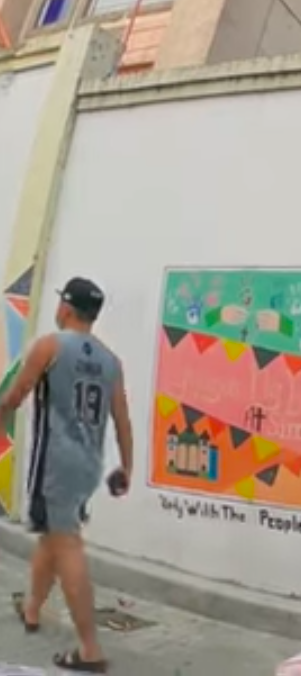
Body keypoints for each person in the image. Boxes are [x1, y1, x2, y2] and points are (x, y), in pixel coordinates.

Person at [0, 276, 133, 674]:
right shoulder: (110, 361)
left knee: (66, 544)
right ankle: (32, 609)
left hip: (55, 464)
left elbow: (16, 396)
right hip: (89, 467)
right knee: (53, 536)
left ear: (66, 308)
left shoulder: (50, 346)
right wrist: (126, 467)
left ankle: (90, 650)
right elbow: (122, 420)